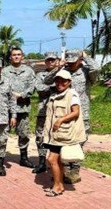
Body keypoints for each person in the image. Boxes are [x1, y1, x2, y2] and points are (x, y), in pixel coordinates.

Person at [43, 48, 99, 184]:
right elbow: (47, 80)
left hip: (81, 113)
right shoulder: (63, 71)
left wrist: (86, 57)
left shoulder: (86, 71)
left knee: (79, 142)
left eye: (75, 61)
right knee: (62, 141)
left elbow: (96, 69)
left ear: (80, 60)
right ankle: (64, 170)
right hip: (62, 111)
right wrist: (58, 67)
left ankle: (74, 169)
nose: (72, 64)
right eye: (70, 61)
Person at [42, 70, 86, 197]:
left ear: (69, 82)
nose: (60, 83)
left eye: (63, 81)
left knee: (51, 159)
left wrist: (61, 120)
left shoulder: (72, 95)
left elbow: (75, 112)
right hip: (56, 134)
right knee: (58, 160)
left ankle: (57, 185)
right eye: (58, 80)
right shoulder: (55, 94)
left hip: (64, 134)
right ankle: (59, 184)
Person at [2, 46, 36, 169]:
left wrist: (21, 95)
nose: (16, 56)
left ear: (22, 56)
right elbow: (0, 86)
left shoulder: (29, 71)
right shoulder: (4, 71)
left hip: (23, 107)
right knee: (3, 133)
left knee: (24, 133)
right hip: (6, 109)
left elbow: (32, 87)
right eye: (14, 54)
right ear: (10, 57)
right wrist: (11, 96)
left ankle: (24, 157)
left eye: (18, 54)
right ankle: (1, 158)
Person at [32, 51, 59, 174]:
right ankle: (42, 162)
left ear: (57, 60)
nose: (50, 62)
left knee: (58, 136)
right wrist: (53, 87)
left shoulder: (63, 73)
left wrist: (51, 87)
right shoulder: (40, 75)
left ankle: (59, 163)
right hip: (43, 110)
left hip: (59, 111)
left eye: (53, 60)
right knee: (40, 136)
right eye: (48, 60)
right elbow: (40, 89)